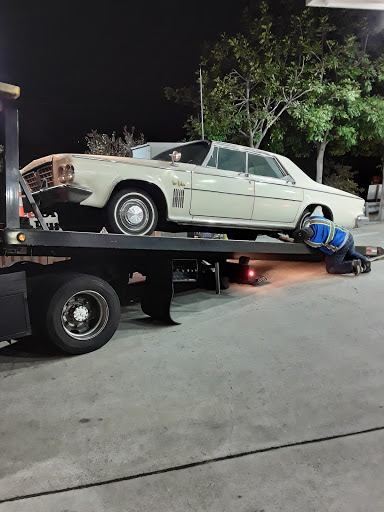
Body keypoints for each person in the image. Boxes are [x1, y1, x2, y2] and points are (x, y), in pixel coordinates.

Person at [274, 206, 371, 276]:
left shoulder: (312, 242)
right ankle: (365, 261)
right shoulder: (315, 219)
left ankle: (353, 265)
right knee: (351, 253)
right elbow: (319, 207)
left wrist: (278, 237)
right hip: (348, 235)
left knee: (332, 268)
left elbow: (292, 241)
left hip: (340, 245)